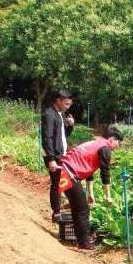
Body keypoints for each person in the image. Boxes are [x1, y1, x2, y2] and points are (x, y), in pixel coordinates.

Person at [58, 126, 123, 251]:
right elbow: (105, 173)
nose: (118, 145)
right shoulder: (105, 148)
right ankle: (83, 243)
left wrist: (90, 193)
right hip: (68, 173)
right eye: (118, 142)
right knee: (82, 210)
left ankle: (82, 239)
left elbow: (90, 169)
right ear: (111, 139)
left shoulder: (96, 143)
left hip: (65, 169)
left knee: (79, 208)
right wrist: (108, 195)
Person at [41, 89, 75, 223]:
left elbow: (62, 136)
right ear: (58, 101)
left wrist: (70, 126)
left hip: (60, 154)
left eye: (69, 104)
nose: (68, 107)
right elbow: (47, 138)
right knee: (56, 183)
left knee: (60, 182)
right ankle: (56, 213)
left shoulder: (60, 114)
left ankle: (58, 210)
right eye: (67, 104)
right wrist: (51, 159)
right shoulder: (49, 114)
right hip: (54, 156)